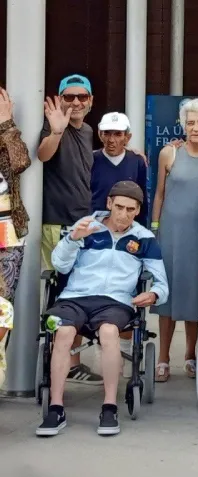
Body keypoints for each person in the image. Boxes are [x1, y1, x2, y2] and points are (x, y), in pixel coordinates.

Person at [36, 181, 168, 437]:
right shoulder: (87, 227)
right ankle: (56, 408)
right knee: (62, 332)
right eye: (119, 207)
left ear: (138, 210)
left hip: (116, 301)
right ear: (108, 203)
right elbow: (60, 266)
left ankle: (109, 407)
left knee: (109, 333)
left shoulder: (144, 238)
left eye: (131, 209)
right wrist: (73, 240)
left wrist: (153, 294)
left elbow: (162, 282)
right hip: (76, 296)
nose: (124, 214)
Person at [38, 74, 102, 385]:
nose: (75, 102)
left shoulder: (88, 130)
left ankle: (71, 360)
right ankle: (60, 360)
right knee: (60, 293)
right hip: (56, 222)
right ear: (60, 99)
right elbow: (43, 155)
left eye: (81, 97)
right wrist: (56, 131)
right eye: (69, 97)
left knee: (77, 290)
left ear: (90, 102)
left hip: (82, 223)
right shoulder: (55, 126)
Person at [151, 98, 198, 383]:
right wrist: (154, 228)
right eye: (190, 122)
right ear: (182, 124)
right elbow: (159, 193)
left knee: (194, 294)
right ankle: (163, 359)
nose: (195, 128)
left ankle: (191, 356)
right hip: (170, 232)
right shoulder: (169, 153)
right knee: (167, 295)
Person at [0, 87, 32, 388]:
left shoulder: (5, 140)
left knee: (1, 311)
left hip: (8, 237)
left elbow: (21, 162)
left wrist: (7, 122)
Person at [91, 112, 148, 226]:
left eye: (118, 134)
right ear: (100, 134)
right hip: (95, 228)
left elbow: (142, 200)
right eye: (107, 133)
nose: (111, 140)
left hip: (128, 228)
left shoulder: (137, 161)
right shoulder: (91, 159)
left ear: (127, 137)